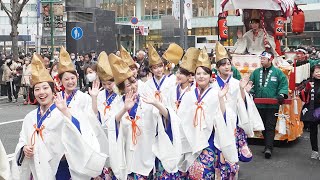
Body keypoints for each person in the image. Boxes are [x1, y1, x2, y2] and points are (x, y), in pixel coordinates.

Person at [12, 53, 107, 179]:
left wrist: (66, 113)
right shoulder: (30, 117)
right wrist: (24, 148)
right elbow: (23, 140)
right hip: (38, 169)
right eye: (37, 89)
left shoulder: (63, 112)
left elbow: (83, 133)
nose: (41, 92)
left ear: (53, 91)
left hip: (62, 169)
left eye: (45, 88)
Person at [107, 53, 181, 180]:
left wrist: (156, 103)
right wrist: (125, 109)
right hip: (127, 154)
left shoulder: (146, 99)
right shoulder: (118, 103)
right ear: (122, 89)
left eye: (134, 82)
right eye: (128, 85)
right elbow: (111, 125)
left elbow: (168, 117)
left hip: (146, 152)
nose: (133, 86)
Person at [177, 47, 239, 179]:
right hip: (191, 140)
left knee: (206, 174)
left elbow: (226, 118)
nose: (201, 76)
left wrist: (221, 99)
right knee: (192, 173)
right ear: (194, 75)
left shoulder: (216, 93)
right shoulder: (188, 95)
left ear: (210, 76)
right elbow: (181, 119)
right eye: (198, 73)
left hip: (210, 141)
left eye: (205, 74)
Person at [249, 50, 288, 159]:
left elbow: (283, 84)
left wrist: (281, 94)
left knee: (270, 126)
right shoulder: (256, 72)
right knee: (262, 126)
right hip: (258, 104)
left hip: (272, 105)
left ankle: (268, 148)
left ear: (270, 60)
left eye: (263, 59)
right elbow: (251, 85)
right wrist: (250, 93)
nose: (261, 60)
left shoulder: (278, 72)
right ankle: (268, 145)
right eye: (261, 58)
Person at [167, 47, 199, 111]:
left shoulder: (195, 90)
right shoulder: (172, 89)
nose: (178, 75)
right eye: (177, 73)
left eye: (181, 74)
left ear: (189, 76)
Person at [299, 64, 320, 160]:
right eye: (317, 71)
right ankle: (314, 151)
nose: (319, 73)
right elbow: (301, 95)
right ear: (312, 73)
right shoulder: (308, 82)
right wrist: (306, 90)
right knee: (313, 131)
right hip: (312, 110)